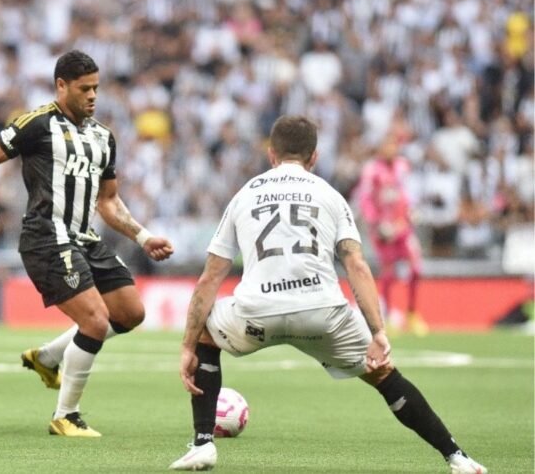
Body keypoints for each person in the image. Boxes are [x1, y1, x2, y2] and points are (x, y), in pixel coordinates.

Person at [169, 116, 486, 473]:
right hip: (322, 312)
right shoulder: (330, 195)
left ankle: (203, 444)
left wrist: (187, 345)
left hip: (257, 311)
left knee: (205, 334)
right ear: (314, 156)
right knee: (385, 376)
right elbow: (356, 265)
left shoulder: (244, 195)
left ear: (271, 154)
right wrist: (378, 331)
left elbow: (210, 277)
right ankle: (457, 458)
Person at [0, 50, 174, 437]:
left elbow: (108, 201)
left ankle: (48, 357)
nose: (93, 95)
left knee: (130, 313)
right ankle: (66, 416)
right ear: (61, 86)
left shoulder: (103, 137)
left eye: (96, 88)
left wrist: (143, 236)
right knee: (94, 320)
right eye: (84, 89)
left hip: (85, 238)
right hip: (46, 238)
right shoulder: (37, 124)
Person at [355, 126, 428, 336]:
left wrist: (412, 210)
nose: (390, 149)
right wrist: (376, 222)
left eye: (393, 145)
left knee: (416, 268)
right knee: (388, 272)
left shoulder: (403, 166)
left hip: (402, 227)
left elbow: (408, 192)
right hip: (383, 230)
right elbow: (365, 199)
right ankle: (386, 318)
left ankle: (412, 314)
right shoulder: (372, 170)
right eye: (386, 145)